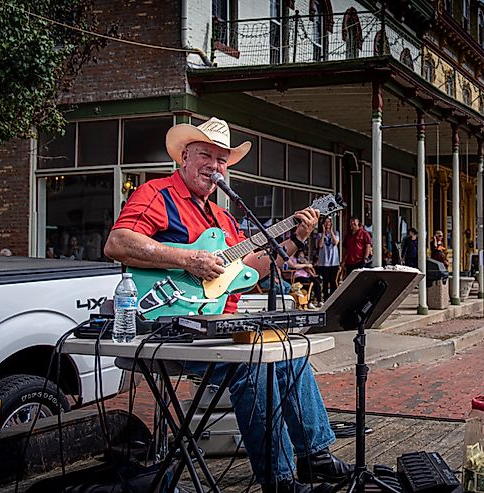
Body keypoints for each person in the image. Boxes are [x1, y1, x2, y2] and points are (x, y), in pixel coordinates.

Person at [103, 117, 351, 493]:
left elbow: (252, 269)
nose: (214, 166)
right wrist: (188, 260)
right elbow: (118, 243)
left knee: (288, 351)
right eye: (206, 155)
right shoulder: (157, 193)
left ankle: (313, 457)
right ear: (184, 157)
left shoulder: (222, 217)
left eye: (221, 160)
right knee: (254, 368)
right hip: (167, 325)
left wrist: (297, 239)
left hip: (215, 327)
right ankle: (281, 481)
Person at [314, 216, 340, 302]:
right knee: (325, 281)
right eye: (325, 222)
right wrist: (324, 233)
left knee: (333, 281)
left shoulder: (336, 233)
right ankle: (325, 299)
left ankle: (333, 299)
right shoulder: (319, 235)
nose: (327, 224)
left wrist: (331, 232)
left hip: (333, 262)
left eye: (329, 222)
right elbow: (320, 245)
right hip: (323, 262)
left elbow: (335, 242)